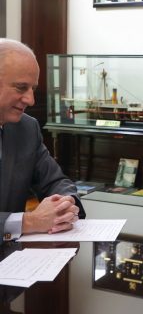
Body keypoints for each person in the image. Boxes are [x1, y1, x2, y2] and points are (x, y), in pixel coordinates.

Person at [0, 38, 85, 243]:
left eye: (33, 89)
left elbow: (56, 181)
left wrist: (65, 204)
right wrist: (29, 222)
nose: (31, 100)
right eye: (21, 88)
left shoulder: (27, 128)